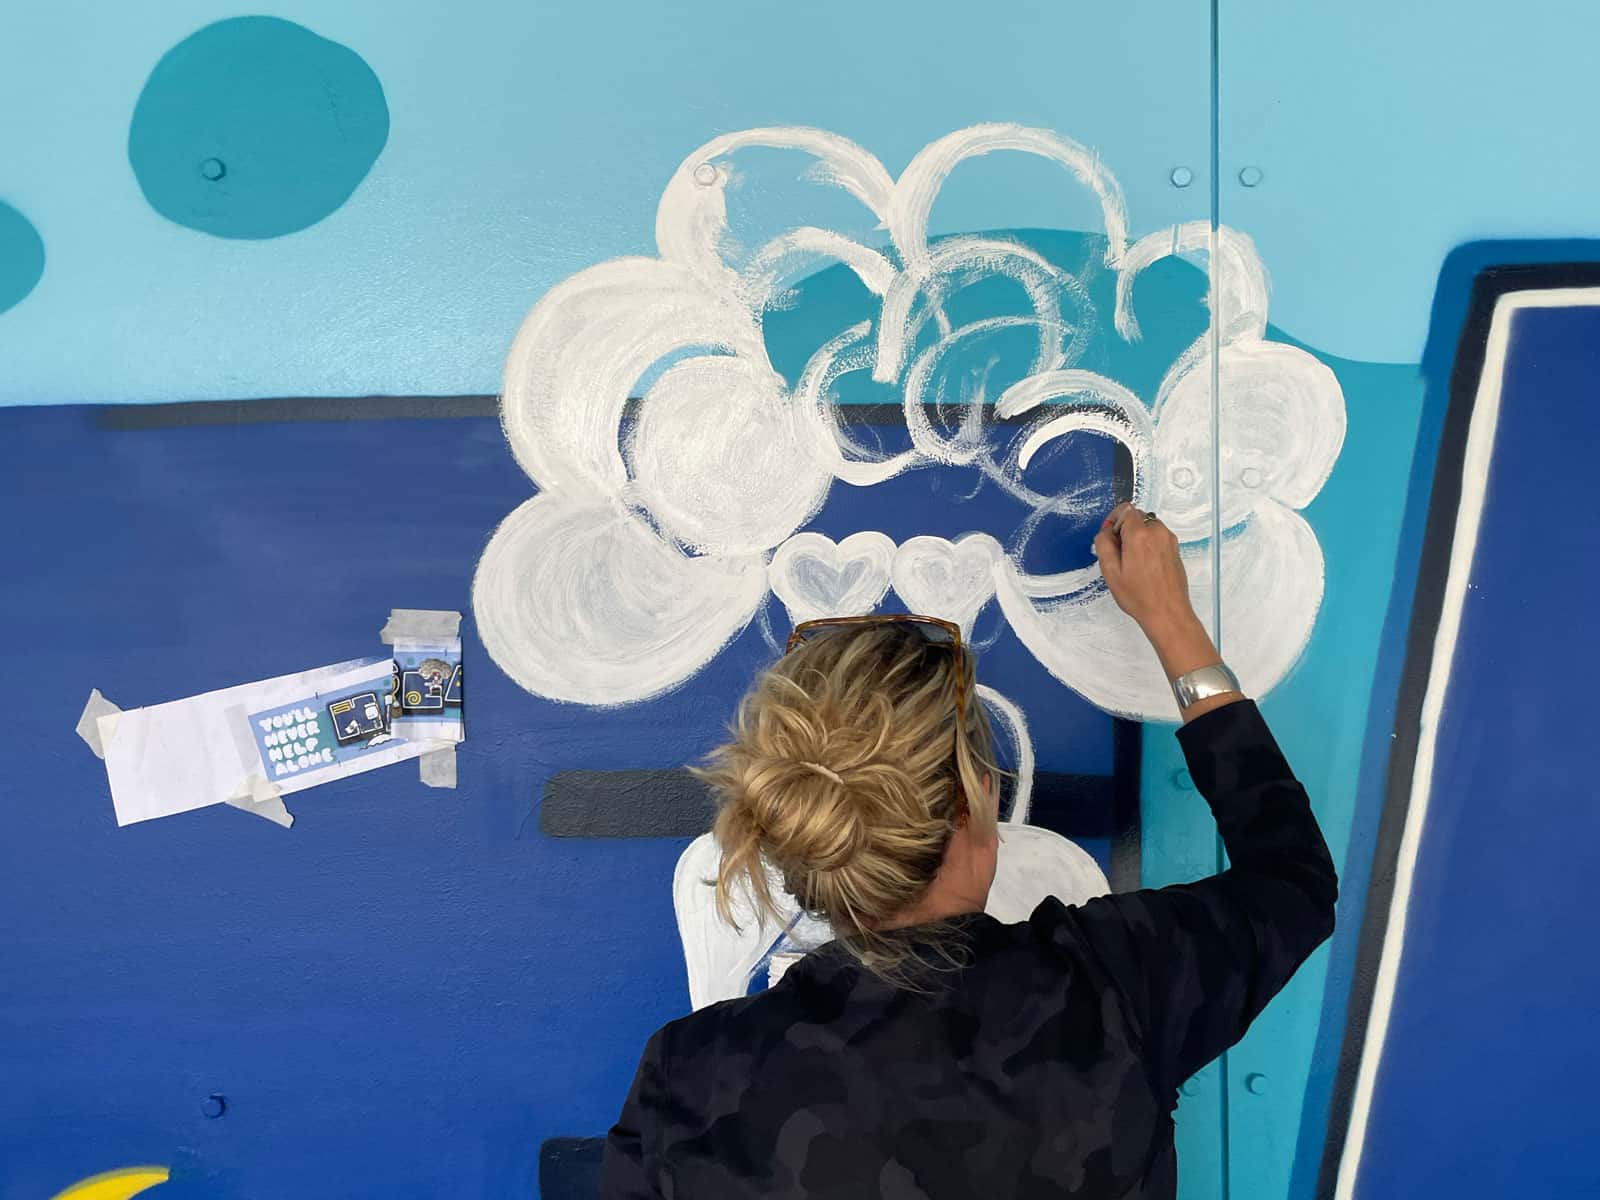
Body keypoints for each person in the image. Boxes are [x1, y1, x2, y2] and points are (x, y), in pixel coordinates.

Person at [601, 502, 1338, 1199]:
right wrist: (1171, 620)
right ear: (975, 797)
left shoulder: (689, 1080)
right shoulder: (1113, 987)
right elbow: (1291, 878)